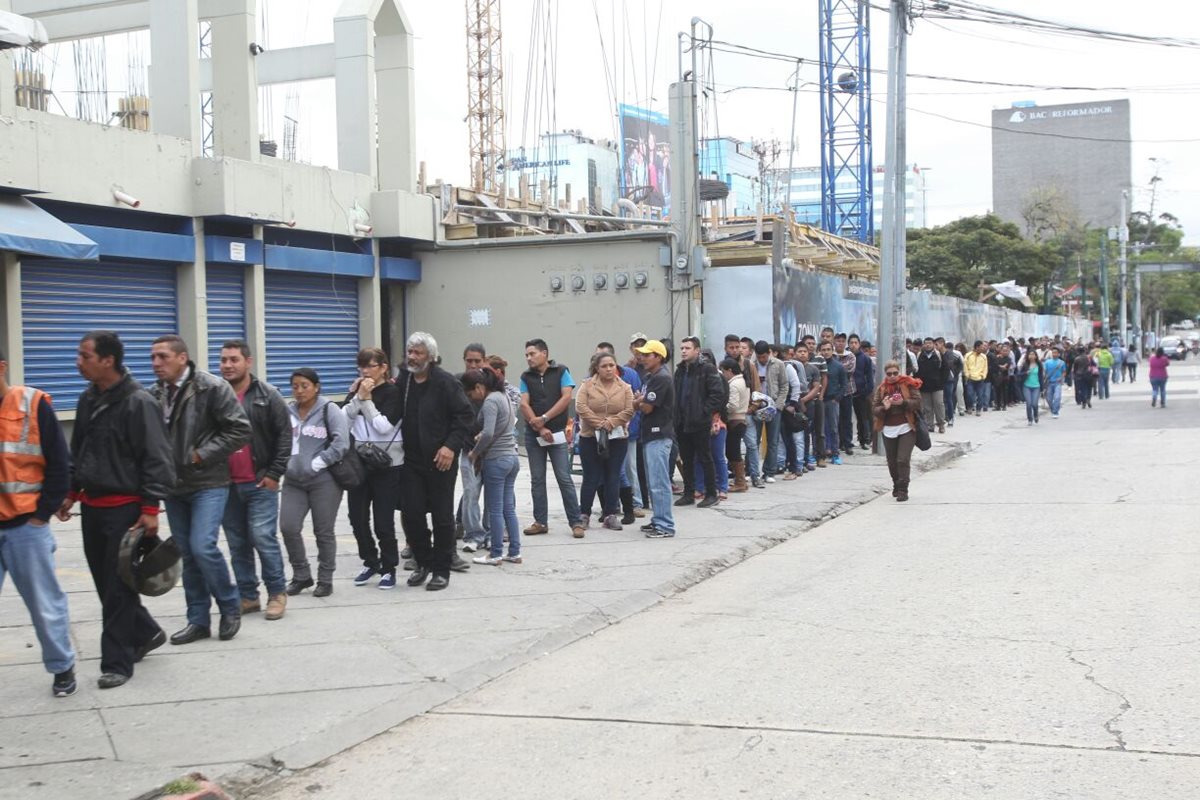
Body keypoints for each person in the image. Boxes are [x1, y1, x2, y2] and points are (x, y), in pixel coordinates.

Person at [60, 332, 175, 691]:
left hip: (125, 509)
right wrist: (70, 492)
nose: (78, 362)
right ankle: (146, 632)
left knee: (117, 587)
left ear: (107, 360)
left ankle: (117, 662)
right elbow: (79, 450)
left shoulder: (139, 402)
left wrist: (150, 508)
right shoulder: (87, 399)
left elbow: (157, 458)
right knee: (106, 584)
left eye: (84, 356)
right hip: (92, 508)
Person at [148, 335, 251, 646]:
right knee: (188, 555)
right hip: (174, 487)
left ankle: (230, 605)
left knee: (203, 546)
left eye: (163, 357)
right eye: (153, 357)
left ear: (182, 358)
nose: (156, 363)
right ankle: (198, 620)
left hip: (208, 482)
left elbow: (240, 429)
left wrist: (200, 454)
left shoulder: (211, 387)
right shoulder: (154, 393)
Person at [0, 347, 76, 696]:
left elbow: (61, 464)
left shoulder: (31, 404)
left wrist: (42, 515)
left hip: (24, 526)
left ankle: (62, 668)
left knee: (45, 605)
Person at [396, 333, 475, 591]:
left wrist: (450, 447)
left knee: (442, 517)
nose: (412, 356)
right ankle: (424, 562)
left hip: (440, 460)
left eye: (418, 353)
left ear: (430, 357)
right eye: (410, 351)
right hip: (411, 460)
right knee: (412, 513)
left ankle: (441, 570)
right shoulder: (405, 379)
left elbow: (464, 416)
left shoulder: (446, 382)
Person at [219, 339, 291, 619]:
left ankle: (277, 593)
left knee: (262, 537)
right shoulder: (215, 394)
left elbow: (285, 436)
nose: (227, 365)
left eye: (233, 359)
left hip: (260, 482)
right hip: (226, 484)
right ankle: (248, 596)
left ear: (248, 362)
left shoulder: (267, 394)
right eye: (224, 360)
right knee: (237, 543)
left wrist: (274, 474)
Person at [281, 369, 349, 598]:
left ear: (316, 387)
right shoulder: (287, 411)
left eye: (304, 386)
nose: (299, 391)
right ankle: (301, 575)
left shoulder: (329, 409)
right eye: (295, 386)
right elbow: (278, 440)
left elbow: (341, 443)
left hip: (324, 481)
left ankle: (325, 579)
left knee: (323, 531)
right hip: (293, 481)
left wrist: (318, 463)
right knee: (288, 527)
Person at [343, 348, 404, 589]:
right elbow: (342, 420)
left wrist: (367, 402)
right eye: (362, 366)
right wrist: (357, 397)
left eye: (370, 366)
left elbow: (383, 427)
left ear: (383, 367)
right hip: (359, 463)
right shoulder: (358, 391)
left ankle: (389, 568)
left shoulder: (393, 393)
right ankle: (370, 561)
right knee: (356, 516)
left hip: (387, 464)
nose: (365, 371)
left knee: (383, 520)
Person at [519, 339, 584, 537]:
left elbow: (566, 398)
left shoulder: (561, 371)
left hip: (557, 435)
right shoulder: (526, 376)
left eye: (532, 354)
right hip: (534, 436)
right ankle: (540, 522)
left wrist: (545, 418)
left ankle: (576, 522)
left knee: (564, 478)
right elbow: (523, 404)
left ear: (544, 353)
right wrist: (539, 427)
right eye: (527, 355)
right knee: (537, 480)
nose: (529, 358)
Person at [462, 367, 522, 566]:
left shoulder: (489, 401)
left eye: (471, 393)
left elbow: (487, 433)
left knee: (495, 510)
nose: (473, 398)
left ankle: (495, 553)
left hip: (497, 460)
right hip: (512, 458)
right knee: (508, 509)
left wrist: (475, 452)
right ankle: (514, 552)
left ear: (479, 387)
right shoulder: (503, 396)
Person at [574, 352, 635, 531]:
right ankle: (584, 514)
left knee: (613, 475)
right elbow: (581, 407)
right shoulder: (587, 386)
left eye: (611, 365)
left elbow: (629, 410)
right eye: (604, 366)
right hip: (590, 437)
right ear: (596, 369)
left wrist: (611, 423)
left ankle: (610, 514)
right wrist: (599, 423)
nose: (609, 369)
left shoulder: (625, 387)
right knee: (591, 476)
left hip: (617, 438)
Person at [674, 338, 725, 508]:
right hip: (682, 422)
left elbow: (717, 395)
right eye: (681, 348)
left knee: (705, 457)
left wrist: (703, 412)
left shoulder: (707, 369)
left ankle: (711, 494)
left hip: (700, 422)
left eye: (687, 348)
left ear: (697, 350)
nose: (683, 351)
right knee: (686, 460)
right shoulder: (680, 370)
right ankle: (689, 493)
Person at [634, 340, 675, 538]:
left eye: (647, 354)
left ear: (658, 357)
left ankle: (665, 524)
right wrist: (640, 400)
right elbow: (643, 401)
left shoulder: (661, 378)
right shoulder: (652, 377)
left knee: (660, 482)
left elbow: (648, 407)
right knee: (654, 482)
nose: (642, 358)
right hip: (650, 434)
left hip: (659, 435)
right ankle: (658, 519)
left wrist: (638, 401)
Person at [871, 361, 922, 502]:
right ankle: (896, 484)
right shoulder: (881, 389)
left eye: (895, 373)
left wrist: (903, 403)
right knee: (892, 461)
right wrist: (884, 408)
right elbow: (874, 409)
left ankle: (903, 489)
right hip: (888, 429)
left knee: (902, 459)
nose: (892, 376)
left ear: (899, 372)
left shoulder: (908, 384)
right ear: (885, 375)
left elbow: (918, 402)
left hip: (907, 426)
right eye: (889, 374)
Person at [457, 343, 489, 553]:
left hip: (491, 449)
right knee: (470, 491)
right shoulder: (456, 382)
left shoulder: (491, 383)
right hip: (467, 449)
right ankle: (473, 534)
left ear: (484, 361)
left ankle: (489, 532)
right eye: (469, 360)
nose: (473, 365)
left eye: (477, 361)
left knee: (493, 494)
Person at [694, 348, 731, 499]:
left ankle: (722, 487)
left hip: (717, 421)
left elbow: (722, 399)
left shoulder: (719, 377)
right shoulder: (695, 377)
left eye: (707, 358)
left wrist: (713, 416)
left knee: (717, 456)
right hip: (698, 422)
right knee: (698, 457)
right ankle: (700, 487)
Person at [754, 340, 789, 481]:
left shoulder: (778, 364)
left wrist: (778, 405)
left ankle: (769, 471)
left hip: (774, 407)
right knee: (753, 440)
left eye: (764, 357)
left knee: (772, 440)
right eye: (759, 357)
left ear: (769, 353)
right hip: (756, 406)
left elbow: (784, 385)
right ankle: (752, 471)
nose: (762, 360)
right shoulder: (752, 365)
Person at [720, 358, 750, 493]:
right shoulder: (742, 381)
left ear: (729, 371)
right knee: (734, 451)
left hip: (735, 420)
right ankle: (740, 480)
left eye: (723, 371)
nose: (723, 374)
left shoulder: (733, 384)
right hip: (741, 420)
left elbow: (732, 405)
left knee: (733, 452)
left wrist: (720, 409)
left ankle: (740, 481)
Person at [818, 340, 846, 465]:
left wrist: (837, 399)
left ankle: (835, 454)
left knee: (834, 428)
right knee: (819, 429)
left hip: (832, 401)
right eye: (823, 350)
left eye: (828, 349)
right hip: (819, 401)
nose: (826, 352)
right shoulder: (816, 365)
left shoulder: (839, 366)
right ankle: (820, 454)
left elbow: (844, 385)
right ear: (820, 351)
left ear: (832, 350)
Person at [915, 337, 949, 434]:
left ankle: (941, 424)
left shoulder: (939, 355)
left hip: (937, 386)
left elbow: (945, 369)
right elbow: (916, 371)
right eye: (926, 343)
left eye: (930, 343)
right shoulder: (919, 356)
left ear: (933, 344)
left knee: (939, 405)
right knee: (927, 407)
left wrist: (942, 382)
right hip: (924, 386)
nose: (928, 345)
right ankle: (930, 425)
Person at [849, 334, 875, 449]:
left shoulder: (865, 359)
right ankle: (845, 442)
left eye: (855, 342)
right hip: (847, 392)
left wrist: (867, 391)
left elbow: (869, 377)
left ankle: (864, 440)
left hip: (861, 393)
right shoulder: (846, 357)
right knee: (846, 418)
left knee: (863, 417)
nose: (853, 345)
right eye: (851, 343)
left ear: (859, 344)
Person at [1016, 349, 1046, 425]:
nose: (1031, 356)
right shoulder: (1025, 364)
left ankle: (1035, 415)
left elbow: (1041, 378)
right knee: (1029, 403)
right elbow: (1019, 374)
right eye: (1030, 354)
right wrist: (1026, 372)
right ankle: (1030, 419)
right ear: (1028, 356)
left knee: (1034, 404)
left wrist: (1042, 389)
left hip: (1036, 386)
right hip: (1026, 386)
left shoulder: (1039, 365)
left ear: (1036, 356)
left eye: (1033, 354)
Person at [937, 338, 961, 428]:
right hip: (940, 380)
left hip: (948, 380)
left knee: (948, 398)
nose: (936, 347)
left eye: (937, 344)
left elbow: (954, 365)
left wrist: (954, 374)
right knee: (940, 401)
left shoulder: (949, 354)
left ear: (942, 344)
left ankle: (950, 418)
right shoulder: (937, 354)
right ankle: (943, 418)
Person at [963, 341, 989, 416]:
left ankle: (978, 409)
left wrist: (983, 376)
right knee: (969, 394)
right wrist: (967, 375)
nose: (983, 348)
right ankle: (970, 407)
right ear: (977, 347)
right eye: (981, 347)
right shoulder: (968, 355)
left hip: (980, 379)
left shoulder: (984, 357)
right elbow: (965, 366)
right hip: (970, 379)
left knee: (980, 395)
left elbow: (985, 367)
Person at [1042, 347, 1067, 419]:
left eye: (1056, 353)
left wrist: (1061, 378)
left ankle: (1055, 412)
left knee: (1057, 397)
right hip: (1049, 382)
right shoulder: (1047, 362)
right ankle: (1053, 409)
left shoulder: (1062, 363)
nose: (1054, 354)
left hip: (1057, 383)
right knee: (1049, 398)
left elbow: (1064, 372)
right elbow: (1044, 371)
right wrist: (1044, 378)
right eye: (1053, 352)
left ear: (1059, 354)